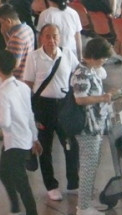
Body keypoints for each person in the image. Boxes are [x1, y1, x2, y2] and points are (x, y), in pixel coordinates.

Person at [23, 23, 80, 201]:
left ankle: (73, 182)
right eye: (47, 36)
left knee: (71, 145)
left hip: (64, 107)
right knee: (45, 147)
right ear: (41, 38)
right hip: (43, 107)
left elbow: (78, 73)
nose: (51, 40)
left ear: (60, 38)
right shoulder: (34, 57)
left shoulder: (67, 54)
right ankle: (51, 185)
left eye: (55, 36)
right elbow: (28, 84)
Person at [0, 52, 40, 215]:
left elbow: (4, 122)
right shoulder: (23, 87)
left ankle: (30, 212)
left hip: (15, 142)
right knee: (3, 172)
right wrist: (35, 138)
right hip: (22, 139)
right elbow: (30, 114)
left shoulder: (3, 92)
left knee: (22, 182)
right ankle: (15, 206)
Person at [71, 37, 115, 215]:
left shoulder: (91, 71)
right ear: (95, 55)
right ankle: (83, 207)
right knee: (88, 167)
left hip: (95, 125)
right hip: (87, 127)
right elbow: (80, 99)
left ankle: (87, 201)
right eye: (103, 57)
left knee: (93, 163)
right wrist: (103, 98)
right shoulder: (81, 73)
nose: (105, 61)